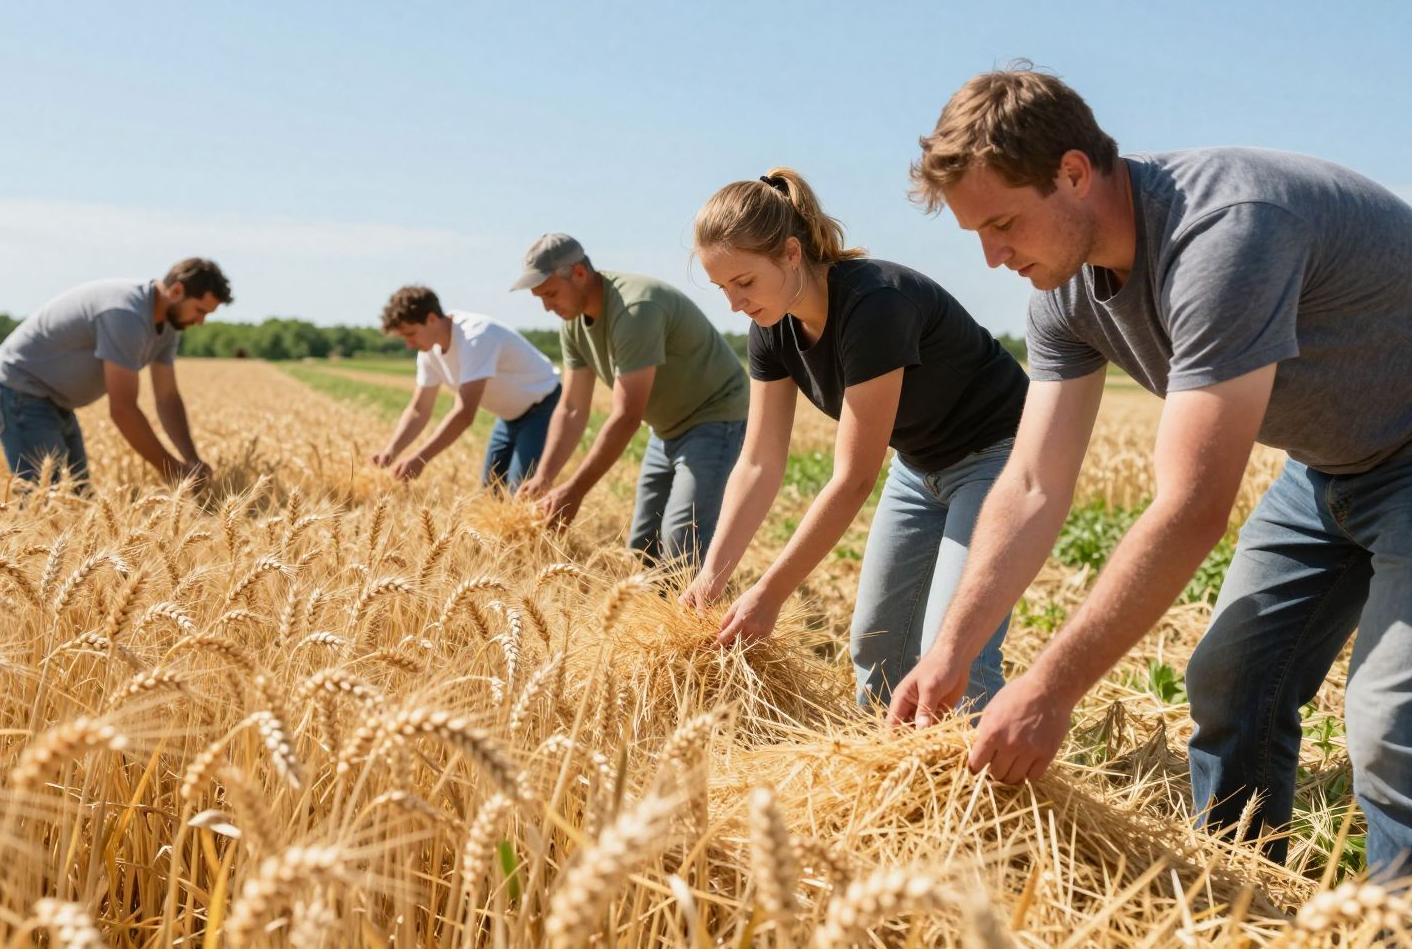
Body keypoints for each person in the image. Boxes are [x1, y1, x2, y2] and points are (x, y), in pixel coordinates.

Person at [889, 64, 1412, 880]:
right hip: (1330, 466)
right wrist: (951, 652)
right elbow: (1035, 483)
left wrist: (1047, 691)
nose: (993, 255)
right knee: (1230, 682)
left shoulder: (1224, 235)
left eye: (1003, 222)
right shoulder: (1063, 291)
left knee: (1395, 725)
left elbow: (1190, 509)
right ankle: (1238, 903)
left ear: (1074, 173)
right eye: (977, 233)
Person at [681, 167, 1029, 708]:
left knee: (957, 656)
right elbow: (757, 464)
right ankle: (888, 779)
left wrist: (770, 594)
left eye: (744, 282)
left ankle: (982, 790)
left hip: (1000, 459)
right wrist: (712, 577)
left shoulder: (873, 305)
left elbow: (853, 478)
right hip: (919, 466)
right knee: (877, 644)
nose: (734, 303)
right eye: (723, 288)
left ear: (792, 254)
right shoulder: (770, 330)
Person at [512, 233, 748, 567]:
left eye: (550, 293)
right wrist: (544, 477)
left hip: (714, 417)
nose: (547, 306)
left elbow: (626, 416)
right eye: (540, 298)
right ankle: (653, 616)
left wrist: (575, 490)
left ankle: (694, 615)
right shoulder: (573, 326)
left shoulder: (635, 308)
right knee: (643, 545)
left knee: (682, 540)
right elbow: (572, 408)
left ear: (578, 274)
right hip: (664, 427)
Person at [0, 258, 232, 488]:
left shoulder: (168, 327)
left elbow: (167, 398)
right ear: (177, 291)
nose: (200, 321)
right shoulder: (127, 315)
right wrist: (171, 470)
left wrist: (191, 459)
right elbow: (123, 409)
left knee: (75, 497)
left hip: (54, 402)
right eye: (200, 310)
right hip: (19, 392)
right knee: (48, 501)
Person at [371, 285, 561, 491]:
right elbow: (419, 409)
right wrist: (392, 450)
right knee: (490, 493)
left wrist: (420, 458)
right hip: (508, 418)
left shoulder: (475, 337)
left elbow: (464, 413)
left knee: (521, 494)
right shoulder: (428, 352)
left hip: (544, 409)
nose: (408, 344)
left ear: (432, 318)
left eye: (411, 334)